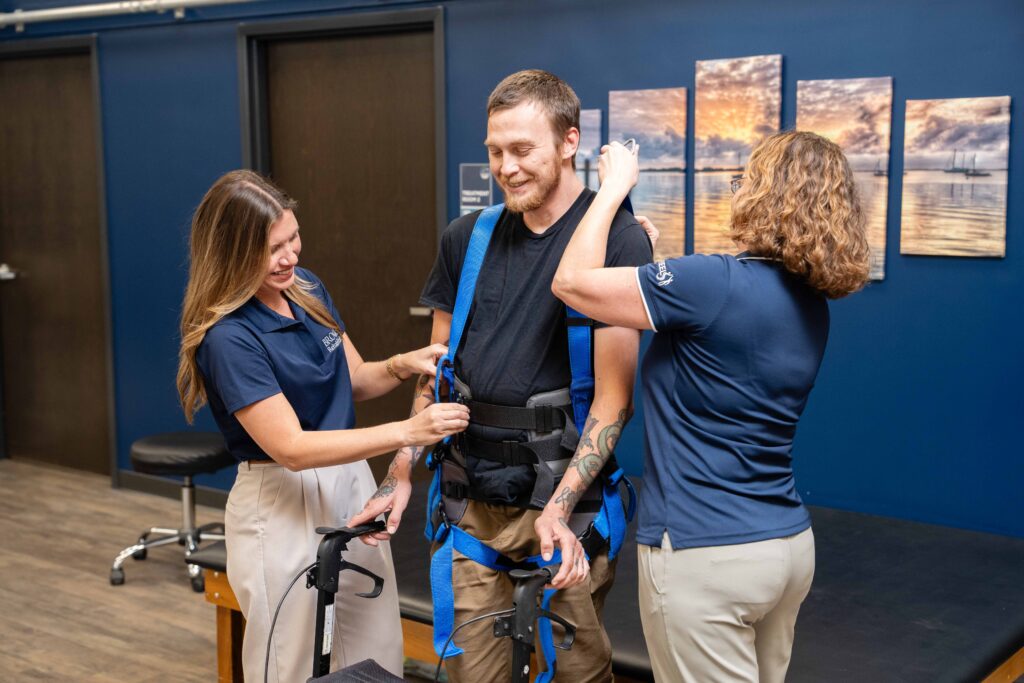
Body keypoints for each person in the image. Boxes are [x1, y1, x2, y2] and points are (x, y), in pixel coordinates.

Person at [349, 70, 652, 681]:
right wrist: (399, 473)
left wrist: (559, 510)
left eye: (522, 150)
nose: (506, 167)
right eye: (494, 151)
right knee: (474, 674)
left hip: (569, 502)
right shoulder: (467, 238)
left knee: (577, 674)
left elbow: (614, 400)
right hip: (471, 502)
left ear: (569, 142)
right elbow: (435, 374)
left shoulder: (618, 238)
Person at [551, 131, 870, 683]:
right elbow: (710, 326)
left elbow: (571, 284)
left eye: (744, 179)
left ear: (765, 193)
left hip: (705, 553)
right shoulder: (809, 303)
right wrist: (650, 265)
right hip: (785, 547)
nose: (737, 189)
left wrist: (613, 190)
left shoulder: (713, 284)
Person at [175, 170, 470, 683]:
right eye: (272, 249)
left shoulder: (306, 287)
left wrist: (403, 363)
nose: (290, 256)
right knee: (291, 662)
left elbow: (353, 377)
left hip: (349, 482)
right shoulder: (229, 337)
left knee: (373, 651)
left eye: (293, 238)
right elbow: (290, 447)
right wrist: (409, 431)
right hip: (282, 498)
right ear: (231, 254)